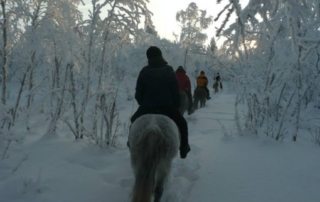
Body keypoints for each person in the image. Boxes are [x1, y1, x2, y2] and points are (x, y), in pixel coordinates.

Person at [131, 46, 191, 159]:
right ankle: (184, 148)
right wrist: (175, 106)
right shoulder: (169, 71)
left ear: (148, 58)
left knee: (133, 121)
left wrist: (143, 103)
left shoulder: (144, 72)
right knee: (182, 123)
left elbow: (138, 95)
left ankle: (131, 145)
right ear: (160, 55)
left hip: (147, 108)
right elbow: (175, 92)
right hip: (167, 108)